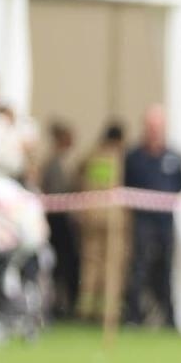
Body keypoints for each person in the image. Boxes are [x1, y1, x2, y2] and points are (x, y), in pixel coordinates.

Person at [122, 104, 181, 328]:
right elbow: (126, 184)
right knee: (138, 269)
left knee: (166, 269)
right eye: (151, 126)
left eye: (158, 127)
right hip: (142, 221)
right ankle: (134, 317)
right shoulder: (134, 156)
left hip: (165, 221)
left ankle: (169, 318)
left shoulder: (174, 156)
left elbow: (180, 185)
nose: (154, 131)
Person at [75, 121, 127, 324]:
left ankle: (85, 309)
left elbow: (78, 173)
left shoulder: (91, 154)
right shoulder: (118, 157)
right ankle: (107, 311)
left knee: (90, 262)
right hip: (111, 216)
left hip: (90, 214)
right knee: (111, 263)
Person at [39, 120, 80, 320]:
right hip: (57, 220)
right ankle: (57, 306)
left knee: (65, 264)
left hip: (62, 220)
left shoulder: (63, 161)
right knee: (60, 264)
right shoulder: (54, 164)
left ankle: (62, 304)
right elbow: (56, 193)